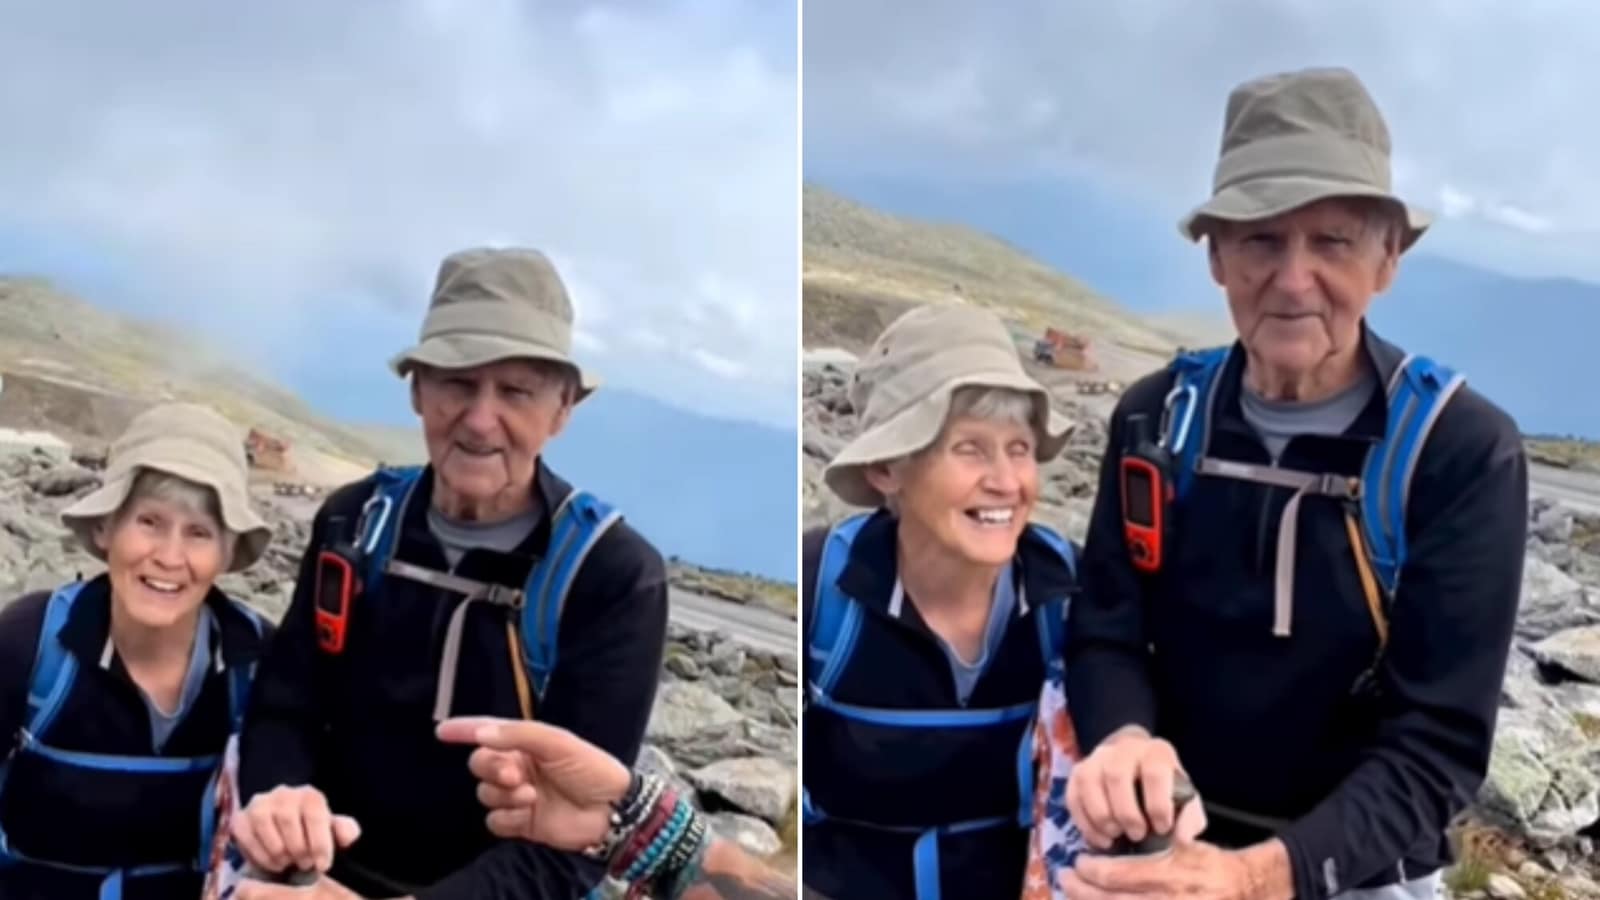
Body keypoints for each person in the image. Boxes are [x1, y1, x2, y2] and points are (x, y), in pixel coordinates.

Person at [1058, 67, 1528, 900]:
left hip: (1359, 873)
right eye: (1261, 240)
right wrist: (1123, 737)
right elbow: (1107, 631)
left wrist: (1258, 879)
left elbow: (1439, 744)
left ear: (1388, 257)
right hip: (1168, 849)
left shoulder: (1456, 452)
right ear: (1216, 256)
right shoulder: (1153, 419)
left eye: (1334, 241)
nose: (1294, 277)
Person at [231, 246, 670, 898]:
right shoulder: (352, 523)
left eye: (515, 390)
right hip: (317, 878)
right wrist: (283, 804)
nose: (480, 418)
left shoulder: (611, 577)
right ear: (417, 390)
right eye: (457, 383)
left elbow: (575, 837)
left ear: (563, 407)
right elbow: (285, 710)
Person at [800, 303, 1085, 900]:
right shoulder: (822, 588)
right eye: (970, 449)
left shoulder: (1072, 593)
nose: (1006, 481)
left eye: (1019, 448)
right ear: (886, 468)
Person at [0, 402, 275, 899]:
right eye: (149, 521)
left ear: (227, 553)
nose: (169, 557)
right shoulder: (28, 644)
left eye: (199, 533)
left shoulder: (256, 663)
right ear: (107, 528)